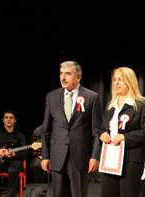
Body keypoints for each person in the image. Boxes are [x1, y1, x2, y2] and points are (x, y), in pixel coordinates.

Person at [40, 61, 102, 197]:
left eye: (68, 74)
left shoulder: (91, 97)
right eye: (61, 73)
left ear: (78, 77)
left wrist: (95, 157)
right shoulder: (52, 96)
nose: (63, 78)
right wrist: (45, 156)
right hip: (57, 157)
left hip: (80, 157)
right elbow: (46, 130)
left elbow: (97, 132)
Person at [99, 67, 145, 197]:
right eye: (115, 80)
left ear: (130, 82)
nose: (116, 83)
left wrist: (125, 138)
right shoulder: (111, 105)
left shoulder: (142, 104)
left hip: (131, 160)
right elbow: (102, 128)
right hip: (110, 159)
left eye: (121, 80)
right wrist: (102, 134)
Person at [0, 110, 27, 197]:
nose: (8, 120)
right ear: (3, 120)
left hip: (15, 163)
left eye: (11, 117)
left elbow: (25, 153)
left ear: (15, 120)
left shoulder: (20, 135)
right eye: (6, 117)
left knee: (13, 171)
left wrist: (14, 154)